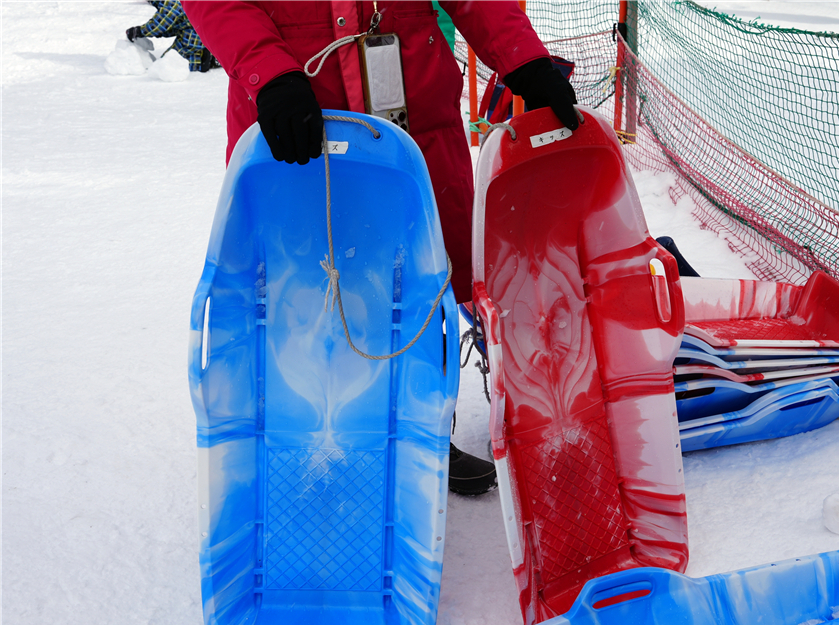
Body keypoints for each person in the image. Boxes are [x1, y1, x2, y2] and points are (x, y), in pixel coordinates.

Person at [182, 1, 578, 495]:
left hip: (415, 111)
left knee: (420, 281)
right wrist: (270, 71)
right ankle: (304, 444)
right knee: (303, 288)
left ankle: (423, 434)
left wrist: (523, 59)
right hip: (299, 118)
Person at [127, 0, 219, 73]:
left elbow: (164, 20)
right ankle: (210, 53)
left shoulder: (170, 2)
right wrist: (156, 33)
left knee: (168, 64)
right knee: (165, 63)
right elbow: (172, 24)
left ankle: (202, 61)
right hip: (198, 27)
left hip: (197, 30)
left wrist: (140, 31)